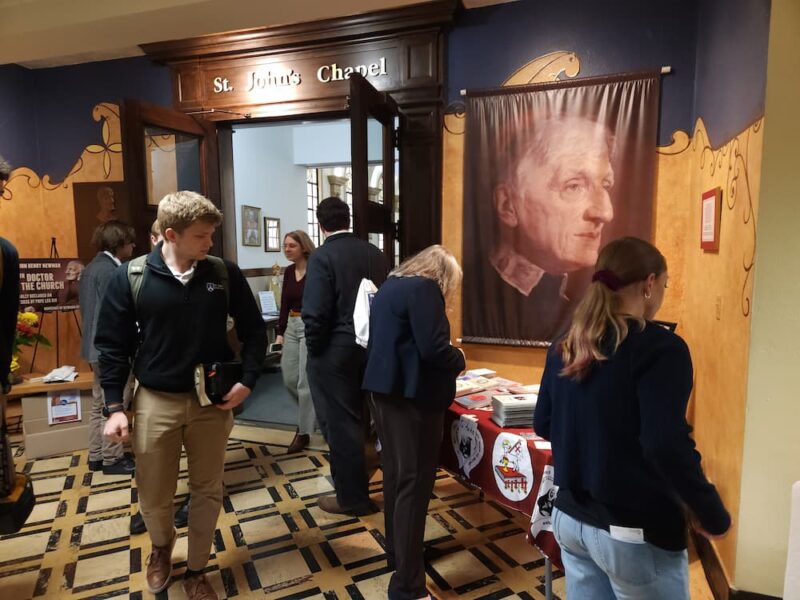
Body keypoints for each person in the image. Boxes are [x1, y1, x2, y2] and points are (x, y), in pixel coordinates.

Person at [533, 237, 731, 599]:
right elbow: (665, 443)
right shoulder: (662, 349)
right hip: (632, 533)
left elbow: (543, 423)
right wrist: (710, 511)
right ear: (650, 283)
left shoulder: (566, 344)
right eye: (665, 286)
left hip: (570, 523)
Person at [96, 191, 266, 599]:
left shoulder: (223, 274)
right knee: (154, 493)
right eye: (201, 236)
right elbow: (110, 346)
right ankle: (160, 548)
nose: (209, 244)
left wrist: (248, 380)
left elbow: (255, 332)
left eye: (211, 235)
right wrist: (115, 407)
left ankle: (196, 568)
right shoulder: (132, 277)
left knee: (207, 489)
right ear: (170, 234)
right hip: (156, 399)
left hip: (213, 402)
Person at [363, 245, 466, 600]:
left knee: (396, 478)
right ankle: (408, 586)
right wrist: (460, 358)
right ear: (442, 275)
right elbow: (435, 349)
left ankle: (401, 555)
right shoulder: (425, 289)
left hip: (385, 394)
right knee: (414, 486)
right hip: (412, 401)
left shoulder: (392, 284)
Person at [466, 115, 616, 344]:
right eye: (574, 186)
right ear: (508, 205)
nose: (605, 213)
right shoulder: (471, 293)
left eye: (605, 185)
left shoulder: (583, 298)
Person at [302, 196, 387, 516]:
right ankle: (362, 480)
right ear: (348, 219)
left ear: (321, 223)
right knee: (365, 420)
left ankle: (351, 498)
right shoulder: (375, 254)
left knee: (341, 424)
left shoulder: (323, 257)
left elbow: (315, 313)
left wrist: (315, 352)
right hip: (371, 350)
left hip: (333, 352)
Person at [79, 221, 136, 476]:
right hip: (109, 349)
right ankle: (113, 459)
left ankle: (96, 455)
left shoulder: (90, 268)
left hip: (91, 347)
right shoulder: (114, 271)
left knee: (97, 402)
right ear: (119, 243)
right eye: (130, 242)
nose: (133, 246)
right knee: (113, 403)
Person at [274, 230, 316, 454]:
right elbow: (284, 304)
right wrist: (280, 333)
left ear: (303, 247)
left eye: (291, 245)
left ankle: (303, 432)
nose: (287, 249)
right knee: (289, 377)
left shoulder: (316, 269)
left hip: (310, 326)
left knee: (305, 382)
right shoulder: (289, 272)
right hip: (291, 325)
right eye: (285, 246)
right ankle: (312, 412)